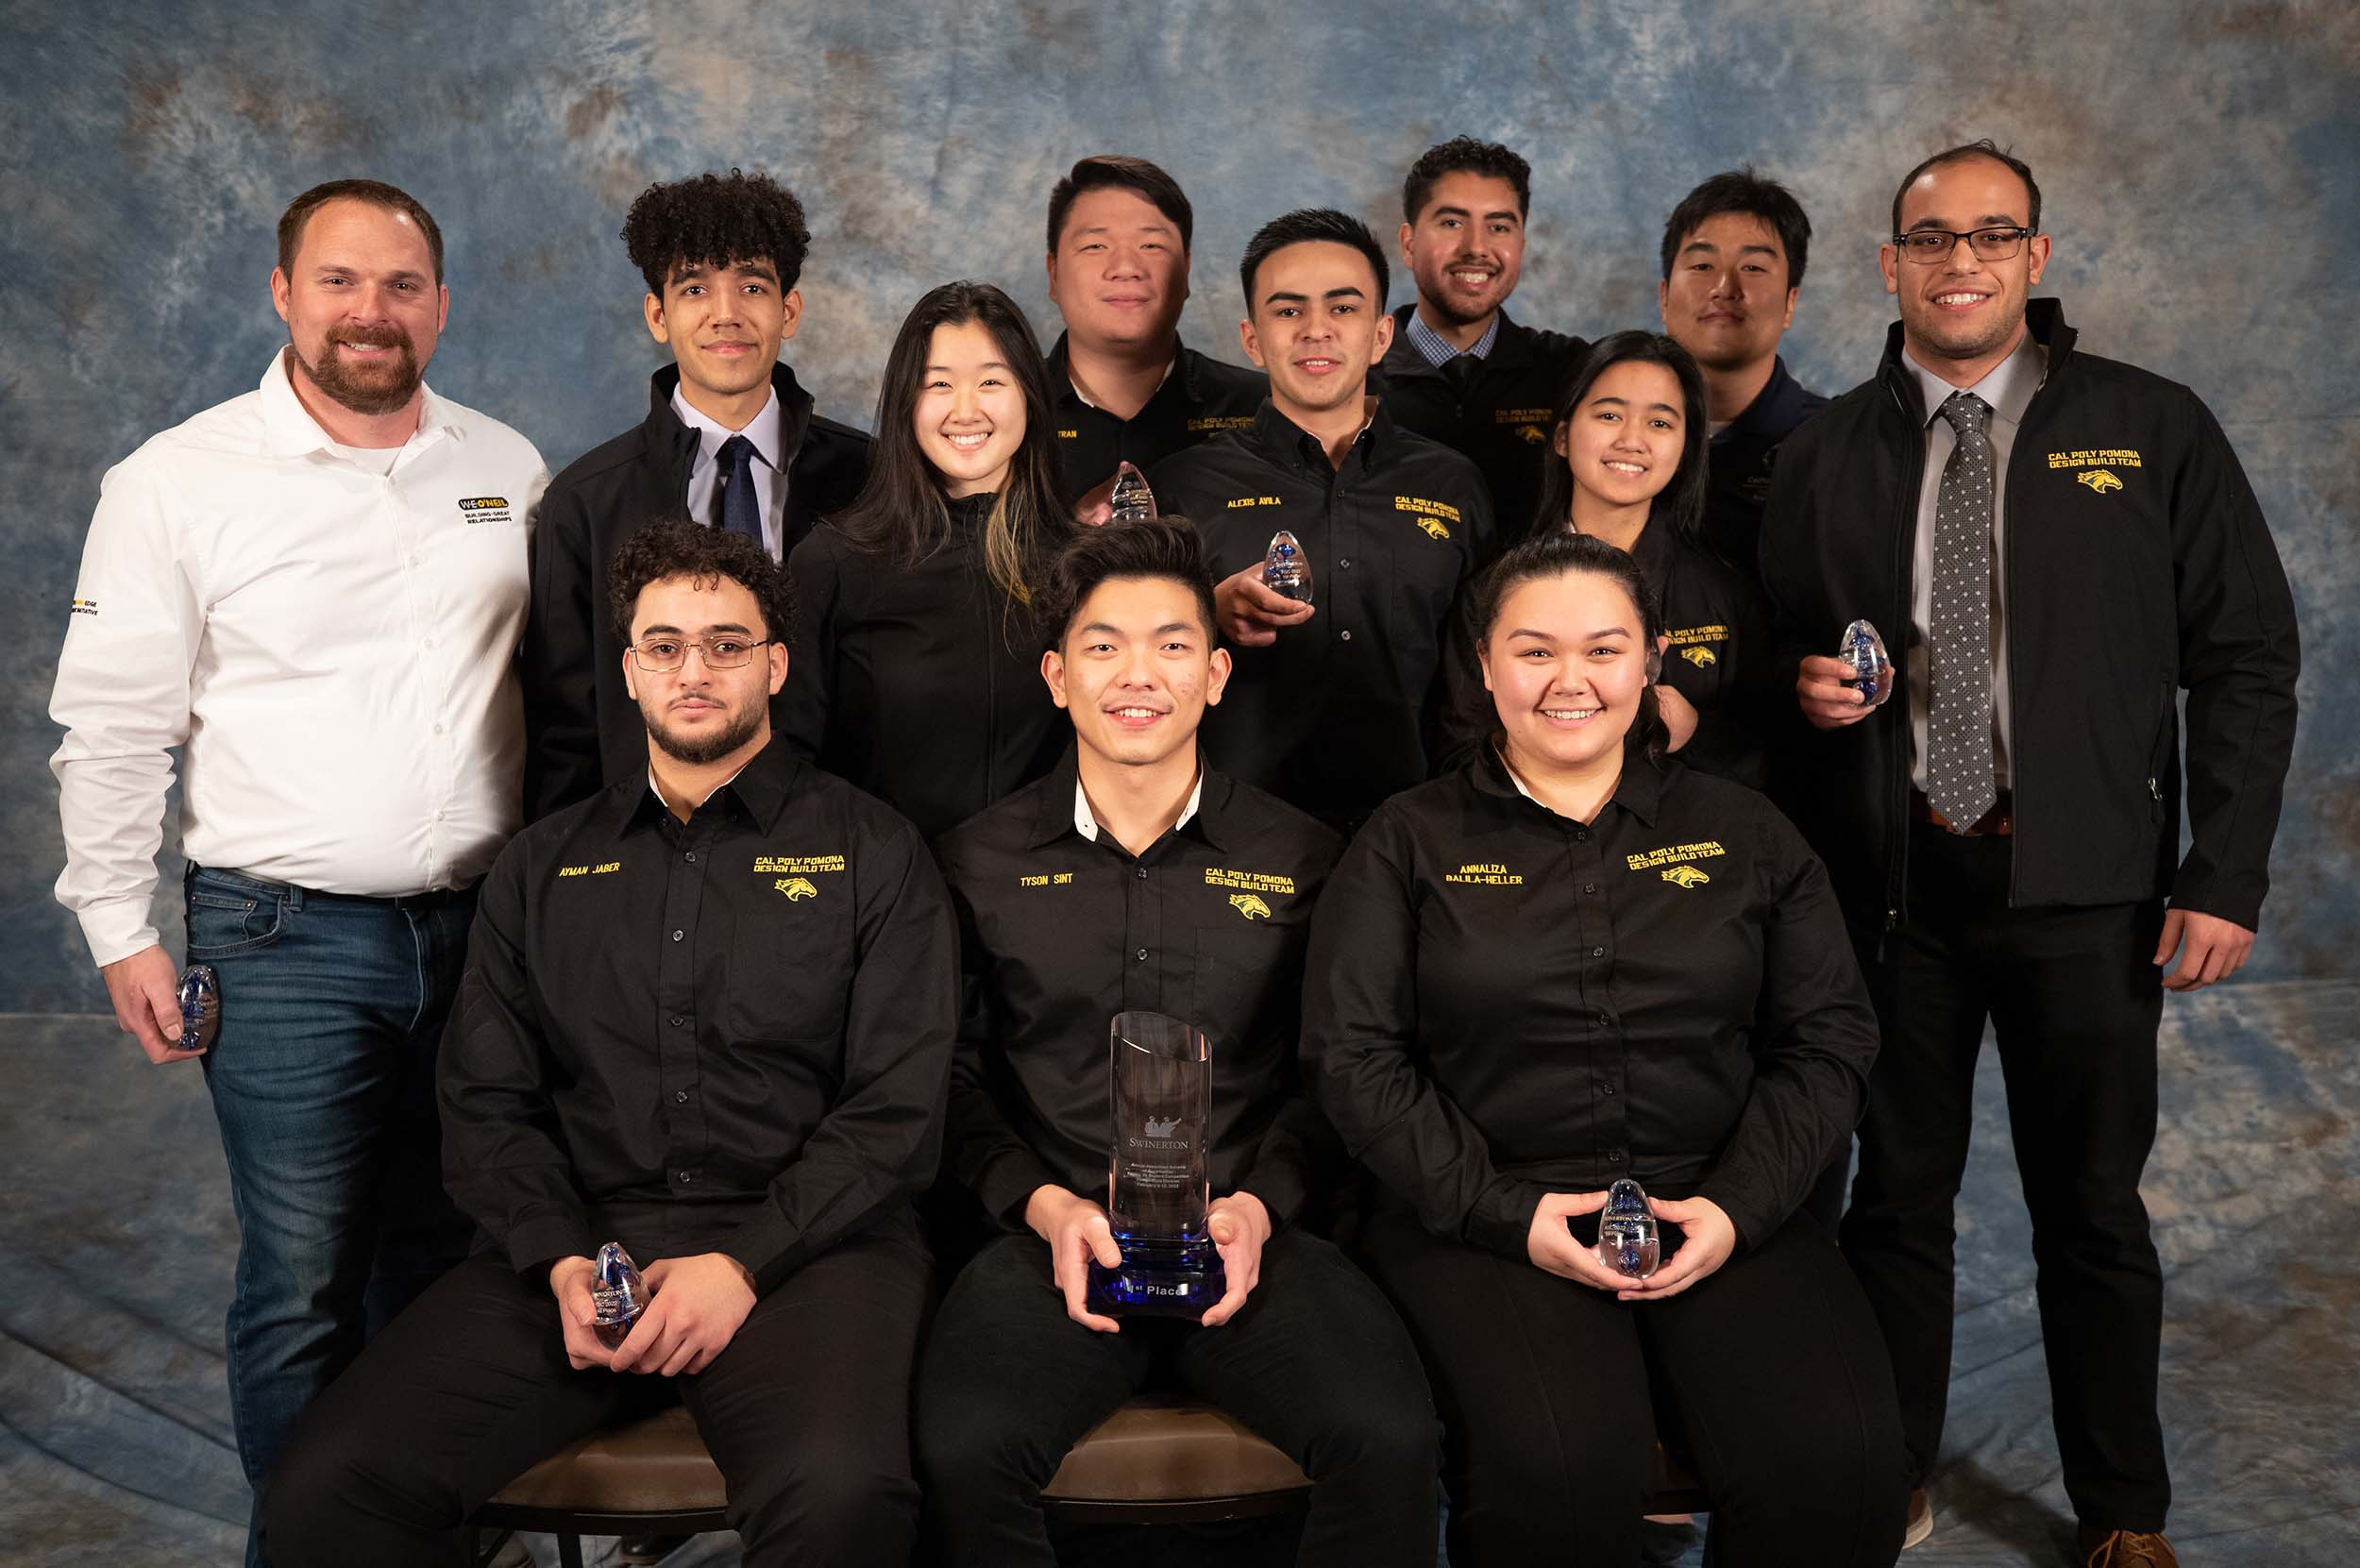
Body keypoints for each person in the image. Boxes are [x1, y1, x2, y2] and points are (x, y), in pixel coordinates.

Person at [1761, 140, 2300, 1567]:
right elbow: (1770, 666)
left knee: (2094, 1215)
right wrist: (1803, 693)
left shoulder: (2152, 425)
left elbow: (2247, 657)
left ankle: (2124, 1509)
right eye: (1930, 240)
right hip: (1896, 896)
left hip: (2090, 894)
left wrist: (2221, 871)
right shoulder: (1823, 455)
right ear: (1891, 264)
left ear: (2036, 260)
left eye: (1991, 237)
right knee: (1898, 1206)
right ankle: (1888, 1476)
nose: (1960, 263)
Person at [267, 517, 956, 1567]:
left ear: (775, 664)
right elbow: (487, 1103)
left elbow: (897, 1113)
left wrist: (743, 1262)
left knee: (841, 1495)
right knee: (329, 1488)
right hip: (582, 1245)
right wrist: (556, 1261)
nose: (696, 669)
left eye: (727, 643)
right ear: (628, 671)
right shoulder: (540, 868)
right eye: (665, 645)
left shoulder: (875, 851)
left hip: (809, 1250)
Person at [48, 178, 548, 1567]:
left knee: (446, 1276)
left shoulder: (503, 465)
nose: (371, 313)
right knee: (302, 1286)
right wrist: (116, 925)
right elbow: (113, 726)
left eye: (400, 285)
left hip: (486, 939)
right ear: (282, 293)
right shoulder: (177, 480)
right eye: (340, 282)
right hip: (280, 945)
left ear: (440, 303)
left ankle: (430, 1543)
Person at [1303, 530, 1906, 1567]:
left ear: (1651, 658)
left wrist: (1738, 1205)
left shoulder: (1748, 831)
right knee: (1560, 1472)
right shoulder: (1404, 840)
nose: (1568, 680)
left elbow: (1827, 1038)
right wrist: (1504, 1213)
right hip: (1486, 1216)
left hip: (1718, 1197)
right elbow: (1353, 1057)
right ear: (1483, 665)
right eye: (1533, 651)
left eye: (1602, 648)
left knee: (1842, 1465)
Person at [916, 519, 1440, 1565]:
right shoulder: (973, 860)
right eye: (1104, 646)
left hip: (1255, 1230)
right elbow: (948, 1079)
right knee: (967, 1447)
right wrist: (1040, 1200)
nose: (1136, 673)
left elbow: (1342, 1071)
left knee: (1389, 1440)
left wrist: (1262, 1204)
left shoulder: (1305, 858)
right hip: (1052, 1234)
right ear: (1058, 677)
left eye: (1169, 643)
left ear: (1214, 673)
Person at [522, 168, 870, 819]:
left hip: (835, 843)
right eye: (694, 288)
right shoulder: (586, 503)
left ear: (789, 310)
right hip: (650, 852)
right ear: (659, 314)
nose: (726, 313)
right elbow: (561, 726)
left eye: (752, 286)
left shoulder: (871, 479)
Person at [1152, 208, 1495, 830]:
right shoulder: (1182, 487)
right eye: (1288, 311)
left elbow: (1481, 674)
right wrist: (1207, 613)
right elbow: (1129, 665)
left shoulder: (1454, 484)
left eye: (1343, 308)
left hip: (1418, 834)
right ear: (1252, 338)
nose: (1316, 331)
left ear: (1382, 334)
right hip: (1230, 839)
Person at [780, 280, 1078, 839]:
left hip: (1051, 899)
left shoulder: (1084, 563)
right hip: (885, 899)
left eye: (992, 381)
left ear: (1030, 397)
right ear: (905, 403)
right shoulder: (833, 563)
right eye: (938, 384)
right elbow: (792, 769)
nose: (966, 410)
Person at [1513, 329, 1774, 789]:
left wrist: (1694, 734)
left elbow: (1766, 763)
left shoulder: (1725, 597)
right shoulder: (1495, 589)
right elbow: (1458, 748)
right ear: (1561, 436)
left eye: (1660, 423)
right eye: (1610, 415)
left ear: (1685, 450)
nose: (1632, 440)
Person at [1372, 137, 1590, 544]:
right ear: (1408, 243)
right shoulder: (1352, 373)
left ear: (1521, 245)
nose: (1476, 248)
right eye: (1452, 223)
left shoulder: (1575, 373)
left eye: (1499, 227)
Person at [1038, 155, 1267, 517]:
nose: (1126, 268)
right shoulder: (1004, 411)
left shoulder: (1265, 410)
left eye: (1152, 246)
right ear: (1053, 274)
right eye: (1096, 246)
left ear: (1186, 270)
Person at [1656, 167, 1829, 573]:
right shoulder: (1615, 438)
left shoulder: (1831, 445)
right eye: (1701, 266)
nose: (1724, 288)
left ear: (1790, 301)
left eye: (1753, 268)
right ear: (1664, 298)